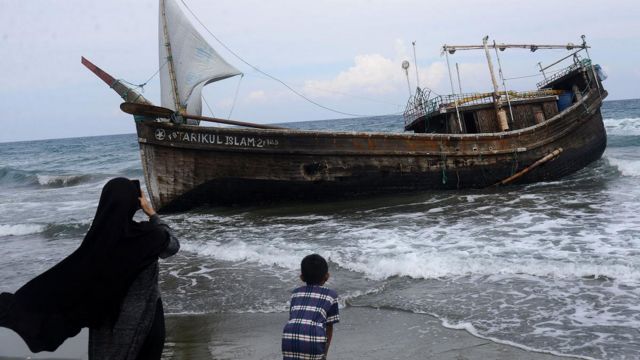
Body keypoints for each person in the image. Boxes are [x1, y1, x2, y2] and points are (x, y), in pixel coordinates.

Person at [0, 177, 179, 360]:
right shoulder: (149, 237)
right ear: (134, 203)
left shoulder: (97, 241)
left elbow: (65, 280)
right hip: (147, 322)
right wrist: (152, 214)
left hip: (107, 327)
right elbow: (173, 245)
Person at [282, 254, 339, 360]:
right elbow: (329, 327)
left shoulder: (295, 293)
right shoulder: (331, 295)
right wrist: (324, 355)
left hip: (288, 337)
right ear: (327, 276)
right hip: (314, 340)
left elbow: (294, 318)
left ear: (302, 277)